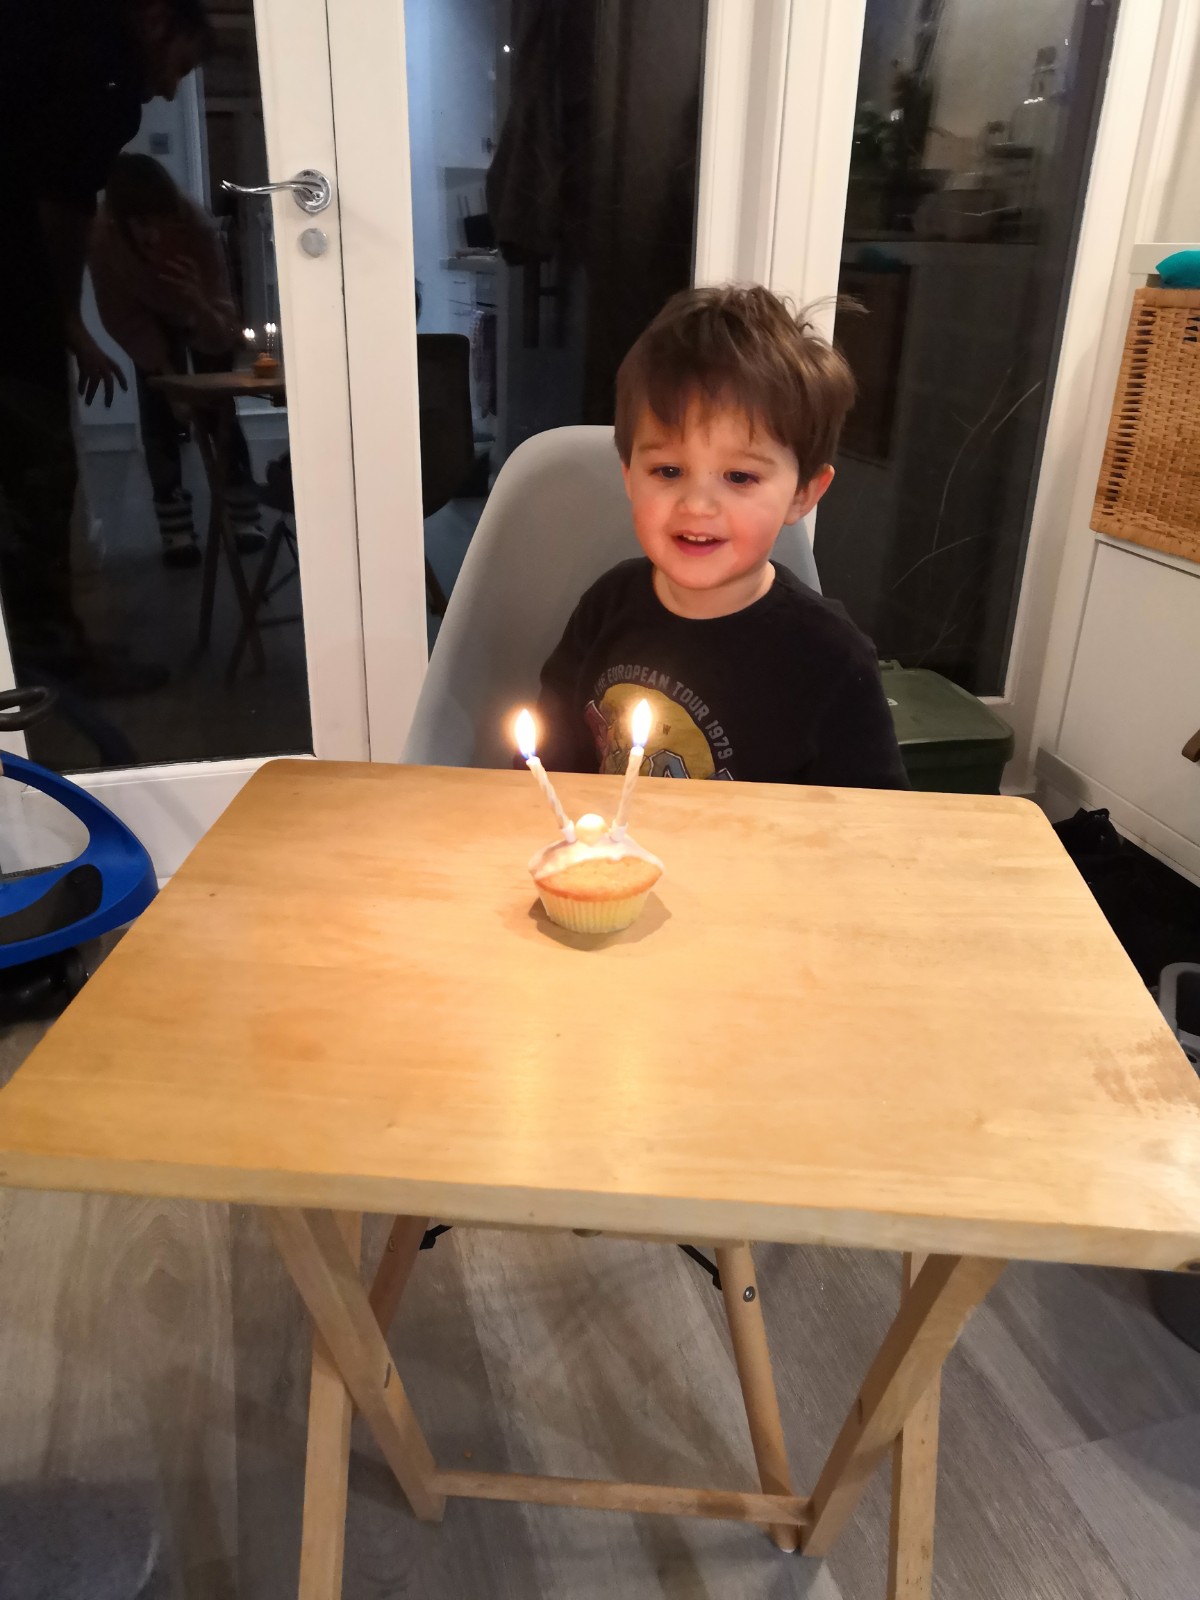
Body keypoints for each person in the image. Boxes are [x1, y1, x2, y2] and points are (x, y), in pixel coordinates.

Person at [534, 285, 908, 788]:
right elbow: (551, 767)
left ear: (803, 494)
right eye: (668, 470)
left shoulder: (832, 658)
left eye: (739, 477)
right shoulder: (606, 607)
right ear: (629, 476)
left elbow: (873, 817)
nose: (697, 505)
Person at [0, 0, 213, 684]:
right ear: (156, 22)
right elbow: (64, 209)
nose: (170, 90)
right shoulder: (100, 73)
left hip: (30, 302)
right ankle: (52, 662)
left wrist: (198, 318)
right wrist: (67, 321)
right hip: (15, 306)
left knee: (39, 467)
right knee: (38, 471)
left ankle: (47, 653)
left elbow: (215, 318)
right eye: (178, 65)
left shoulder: (53, 44)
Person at [90, 153, 264, 568]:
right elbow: (123, 317)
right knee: (159, 418)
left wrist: (198, 304)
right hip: (144, 313)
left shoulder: (197, 227)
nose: (152, 235)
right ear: (120, 219)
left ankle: (244, 516)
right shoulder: (103, 237)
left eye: (160, 221)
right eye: (140, 223)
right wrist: (170, 382)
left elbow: (222, 321)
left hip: (196, 303)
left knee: (219, 410)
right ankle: (176, 529)